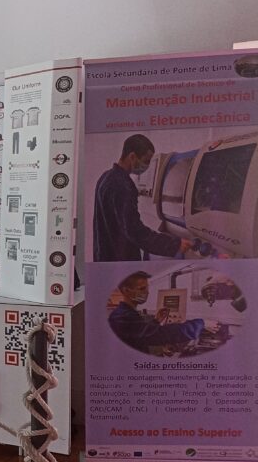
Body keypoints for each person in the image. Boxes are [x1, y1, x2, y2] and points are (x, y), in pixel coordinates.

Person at [93, 134, 192, 262]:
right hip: (120, 262)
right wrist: (174, 245)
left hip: (104, 257)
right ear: (132, 156)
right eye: (146, 161)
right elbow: (135, 232)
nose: (147, 166)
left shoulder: (105, 177)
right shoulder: (122, 186)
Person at [108, 271, 217, 354]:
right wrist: (200, 324)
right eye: (142, 289)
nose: (147, 292)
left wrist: (156, 320)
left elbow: (141, 333)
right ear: (126, 291)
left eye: (147, 288)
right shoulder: (121, 317)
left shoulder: (127, 313)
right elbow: (158, 334)